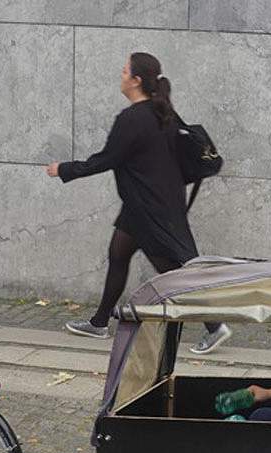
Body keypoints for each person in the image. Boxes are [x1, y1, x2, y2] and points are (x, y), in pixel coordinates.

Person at [46, 52, 231, 354]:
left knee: (174, 272)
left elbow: (107, 160)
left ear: (135, 80)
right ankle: (99, 322)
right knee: (118, 253)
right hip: (149, 204)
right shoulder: (162, 112)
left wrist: (63, 169)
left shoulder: (132, 118)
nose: (120, 76)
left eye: (123, 72)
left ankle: (215, 325)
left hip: (149, 209)